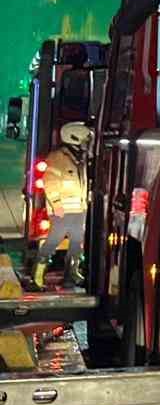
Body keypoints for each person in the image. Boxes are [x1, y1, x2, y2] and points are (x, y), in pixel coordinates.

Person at [32, 122, 92, 290]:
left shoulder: (79, 159)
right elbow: (49, 183)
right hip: (62, 211)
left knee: (77, 243)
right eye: (83, 140)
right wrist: (56, 204)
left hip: (78, 210)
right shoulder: (57, 158)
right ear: (73, 138)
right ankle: (36, 276)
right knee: (52, 242)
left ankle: (71, 275)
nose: (85, 143)